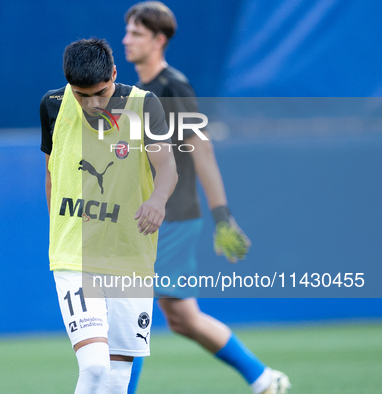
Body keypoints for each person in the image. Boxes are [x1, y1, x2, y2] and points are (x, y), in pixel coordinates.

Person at [122, 2, 291, 394]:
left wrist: (222, 216)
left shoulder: (171, 86)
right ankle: (264, 379)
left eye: (137, 33)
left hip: (172, 218)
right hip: (147, 218)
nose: (127, 39)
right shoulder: (138, 93)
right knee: (182, 317)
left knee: (133, 310)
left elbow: (202, 149)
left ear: (159, 40)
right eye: (127, 31)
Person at [41, 38, 177, 393]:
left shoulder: (145, 106)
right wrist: (61, 226)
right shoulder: (53, 105)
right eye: (81, 94)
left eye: (99, 93)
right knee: (96, 368)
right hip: (76, 257)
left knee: (118, 380)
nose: (91, 103)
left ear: (114, 74)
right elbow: (53, 172)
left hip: (130, 258)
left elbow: (167, 168)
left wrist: (158, 201)